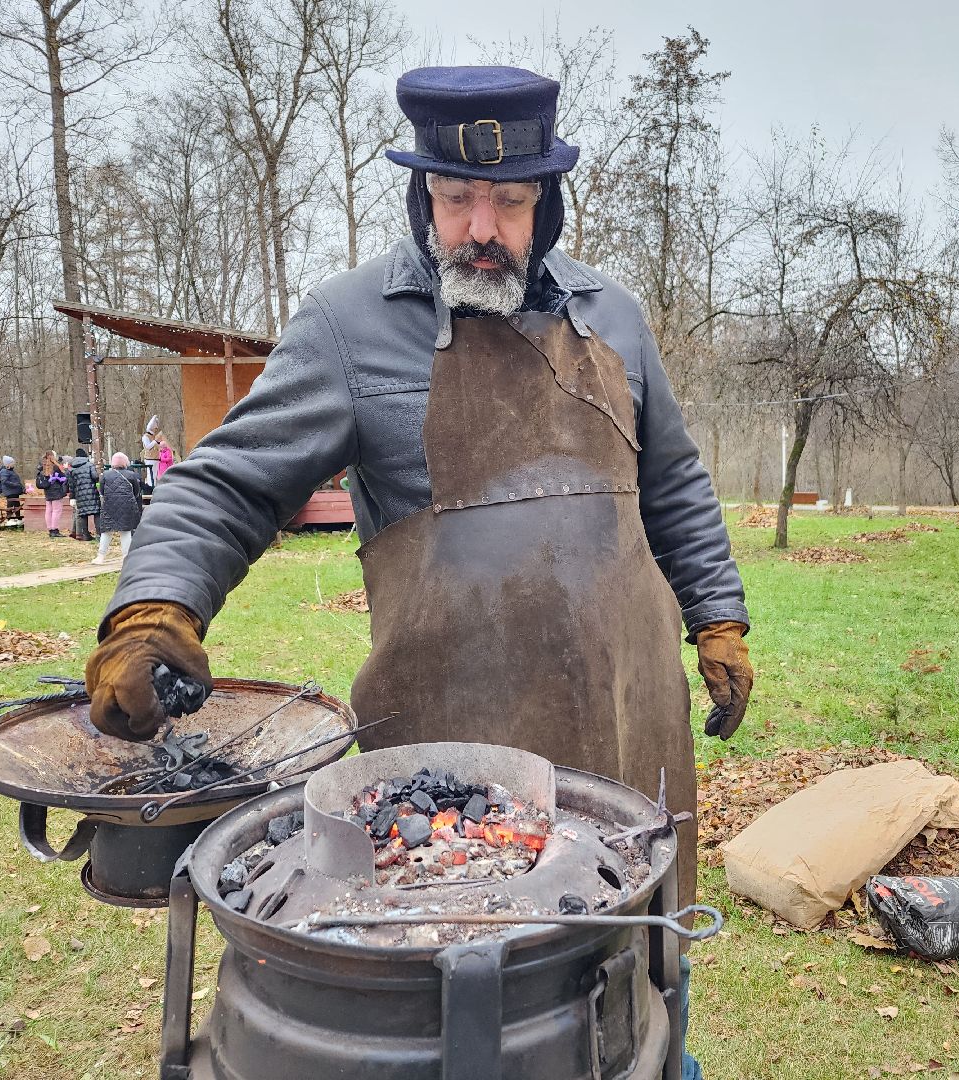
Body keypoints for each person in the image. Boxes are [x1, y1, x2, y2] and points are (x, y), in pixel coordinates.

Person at [84, 68, 751, 1079]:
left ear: (549, 201)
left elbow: (676, 485)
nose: (481, 228)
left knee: (646, 994)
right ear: (420, 194)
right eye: (455, 199)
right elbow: (225, 486)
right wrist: (153, 607)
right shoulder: (351, 328)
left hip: (627, 729)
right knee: (486, 1028)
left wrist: (717, 618)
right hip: (447, 790)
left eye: (511, 203)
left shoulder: (615, 316)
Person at [92, 452, 141, 564]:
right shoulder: (131, 475)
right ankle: (126, 557)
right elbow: (136, 492)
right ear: (125, 462)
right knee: (125, 531)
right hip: (127, 506)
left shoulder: (105, 475)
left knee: (106, 532)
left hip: (109, 506)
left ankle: (101, 556)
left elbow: (102, 491)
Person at [67, 448, 100, 541]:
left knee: (82, 515)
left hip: (79, 495)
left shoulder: (72, 468)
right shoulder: (90, 465)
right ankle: (99, 535)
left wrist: (72, 497)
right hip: (92, 493)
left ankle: (85, 535)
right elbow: (95, 477)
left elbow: (71, 485)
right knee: (97, 513)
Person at [34, 451, 69, 537]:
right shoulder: (55, 467)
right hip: (56, 491)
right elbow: (63, 478)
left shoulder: (43, 467)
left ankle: (50, 529)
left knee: (48, 510)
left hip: (47, 491)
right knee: (56, 511)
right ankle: (55, 529)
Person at [0, 456, 24, 521]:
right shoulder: (4, 471)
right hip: (10, 492)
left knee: (17, 505)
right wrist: (15, 485)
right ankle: (9, 518)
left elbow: (17, 481)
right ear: (7, 464)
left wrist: (22, 488)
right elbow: (4, 481)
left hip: (15, 492)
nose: (13, 464)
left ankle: (18, 518)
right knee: (10, 505)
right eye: (12, 462)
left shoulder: (12, 471)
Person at [141, 416, 162, 488]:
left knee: (155, 475)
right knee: (151, 475)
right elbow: (148, 447)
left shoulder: (153, 437)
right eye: (155, 428)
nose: (156, 430)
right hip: (150, 459)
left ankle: (154, 487)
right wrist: (155, 442)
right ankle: (150, 488)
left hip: (156, 458)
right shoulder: (146, 437)